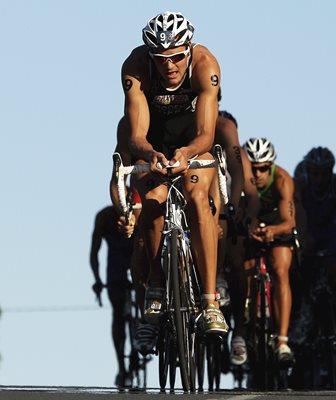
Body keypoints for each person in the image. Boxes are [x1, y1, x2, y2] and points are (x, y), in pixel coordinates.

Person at [121, 11, 228, 334]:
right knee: (153, 199)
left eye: (177, 57)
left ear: (188, 49)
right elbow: (136, 134)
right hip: (156, 143)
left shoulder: (205, 65)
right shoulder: (136, 68)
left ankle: (210, 302)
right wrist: (151, 154)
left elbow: (207, 134)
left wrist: (186, 153)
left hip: (193, 144)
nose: (169, 66)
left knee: (197, 196)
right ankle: (156, 284)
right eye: (161, 59)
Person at [294, 147, 336, 372]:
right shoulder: (301, 185)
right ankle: (303, 314)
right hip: (311, 230)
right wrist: (303, 241)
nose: (320, 178)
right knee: (299, 272)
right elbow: (299, 214)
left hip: (334, 234)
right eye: (315, 173)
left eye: (324, 173)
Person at [243, 137, 295, 365]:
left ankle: (282, 341)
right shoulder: (241, 177)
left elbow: (289, 221)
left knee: (280, 271)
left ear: (271, 165)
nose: (258, 174)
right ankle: (243, 327)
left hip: (277, 221)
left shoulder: (282, 179)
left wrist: (274, 230)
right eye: (253, 168)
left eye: (263, 168)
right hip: (248, 218)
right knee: (241, 269)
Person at [214, 111, 260, 366]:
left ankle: (240, 331)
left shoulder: (238, 155)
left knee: (236, 258)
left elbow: (252, 195)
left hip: (231, 217)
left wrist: (248, 219)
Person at [89, 204, 135, 387]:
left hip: (133, 261)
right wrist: (97, 279)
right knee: (118, 313)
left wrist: (98, 281)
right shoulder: (104, 217)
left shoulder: (137, 210)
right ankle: (122, 366)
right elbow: (94, 252)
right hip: (116, 267)